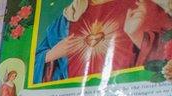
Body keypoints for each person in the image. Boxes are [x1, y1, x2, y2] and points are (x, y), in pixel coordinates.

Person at [34, 0, 171, 82]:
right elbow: (34, 66)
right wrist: (51, 55)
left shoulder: (140, 6)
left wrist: (137, 35)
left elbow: (166, 52)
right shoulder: (68, 18)